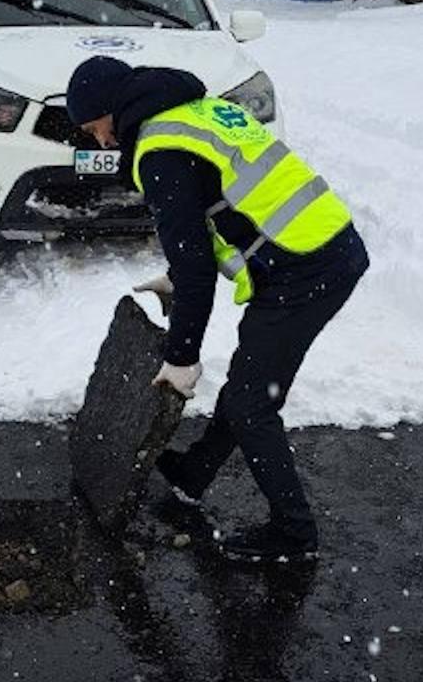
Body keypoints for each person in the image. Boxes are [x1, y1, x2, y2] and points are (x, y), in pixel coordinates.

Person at [66, 56, 369, 562]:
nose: (99, 140)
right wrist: (177, 276)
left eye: (93, 126)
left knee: (253, 404)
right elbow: (211, 209)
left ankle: (294, 535)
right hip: (318, 247)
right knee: (251, 379)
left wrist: (181, 357)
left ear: (108, 108)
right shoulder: (193, 111)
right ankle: (195, 472)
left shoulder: (158, 150)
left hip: (305, 265)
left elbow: (197, 268)